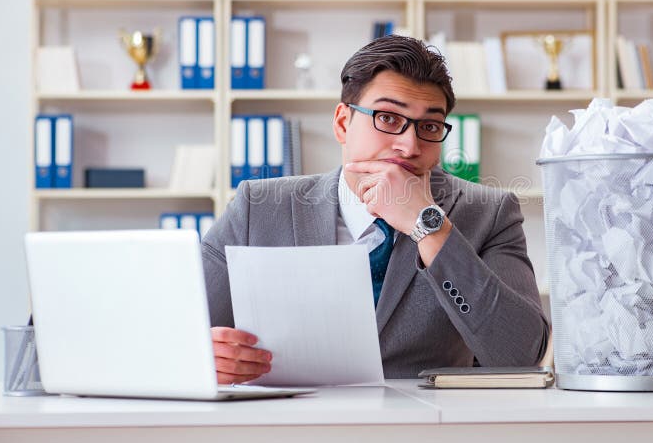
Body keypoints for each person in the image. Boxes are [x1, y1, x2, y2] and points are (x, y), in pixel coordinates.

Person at [202, 35, 549, 383]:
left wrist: (428, 226)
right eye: (387, 117)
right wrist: (204, 356)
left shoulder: (489, 213)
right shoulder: (258, 209)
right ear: (342, 123)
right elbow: (170, 332)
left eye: (429, 126)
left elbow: (521, 356)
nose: (410, 145)